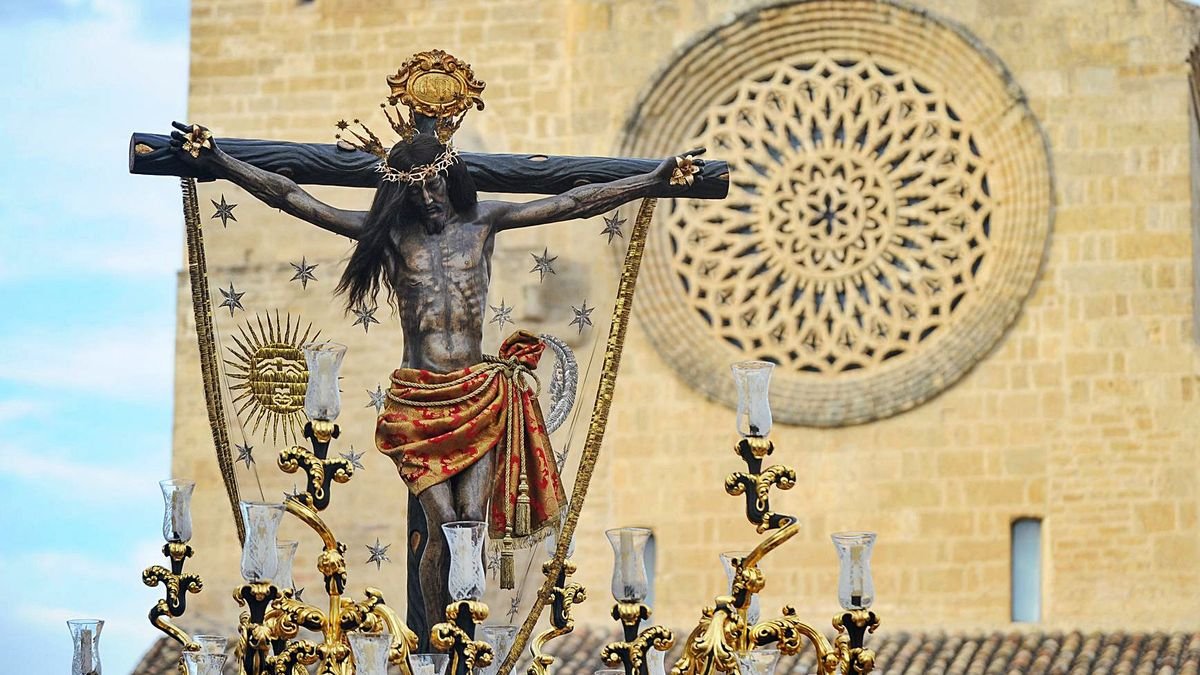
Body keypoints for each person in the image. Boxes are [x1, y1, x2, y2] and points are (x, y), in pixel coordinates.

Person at [168, 120, 703, 631]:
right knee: (444, 529)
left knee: (470, 521)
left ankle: (464, 634)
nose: (427, 199)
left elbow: (570, 203)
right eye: (415, 191)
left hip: (477, 393)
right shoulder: (394, 236)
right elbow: (292, 197)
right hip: (418, 399)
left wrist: (653, 180)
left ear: (450, 178)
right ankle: (434, 632)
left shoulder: (484, 222)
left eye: (434, 186)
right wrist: (220, 161)